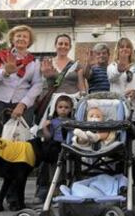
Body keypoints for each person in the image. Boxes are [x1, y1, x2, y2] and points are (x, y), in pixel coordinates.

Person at [0, 25, 43, 211]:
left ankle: (13, 197)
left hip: (21, 105)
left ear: (29, 41)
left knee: (17, 151)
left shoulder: (34, 62)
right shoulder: (1, 54)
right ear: (12, 38)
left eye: (25, 37)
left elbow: (37, 85)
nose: (21, 39)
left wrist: (24, 104)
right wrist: (5, 72)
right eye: (18, 36)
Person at [35, 33, 85, 203]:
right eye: (60, 43)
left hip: (71, 109)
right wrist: (48, 76)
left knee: (73, 143)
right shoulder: (48, 63)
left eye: (66, 44)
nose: (63, 46)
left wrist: (84, 97)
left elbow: (81, 86)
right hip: (53, 109)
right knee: (48, 145)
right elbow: (45, 87)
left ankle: (74, 184)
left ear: (70, 46)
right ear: (55, 45)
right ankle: (43, 188)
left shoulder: (75, 64)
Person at [108, 37, 135, 201]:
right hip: (118, 115)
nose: (125, 49)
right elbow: (111, 77)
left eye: (128, 47)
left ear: (132, 50)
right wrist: (120, 67)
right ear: (117, 50)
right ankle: (121, 185)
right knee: (119, 150)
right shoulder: (112, 66)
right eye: (121, 47)